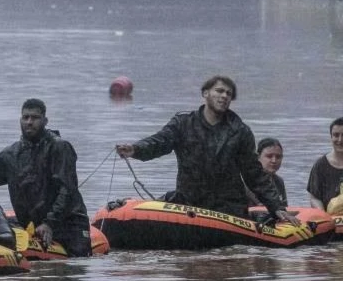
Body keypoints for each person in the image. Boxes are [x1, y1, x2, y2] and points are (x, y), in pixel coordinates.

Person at [116, 75, 298, 226]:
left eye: (229, 93)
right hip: (189, 203)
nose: (224, 96)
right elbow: (159, 142)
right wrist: (134, 149)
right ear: (205, 93)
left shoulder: (240, 131)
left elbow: (254, 173)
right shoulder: (183, 123)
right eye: (219, 91)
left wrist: (277, 207)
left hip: (227, 208)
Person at [0, 98, 93, 256]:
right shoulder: (10, 155)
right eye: (25, 117)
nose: (29, 122)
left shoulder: (60, 148)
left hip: (69, 223)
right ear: (20, 120)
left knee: (77, 264)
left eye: (35, 118)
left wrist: (49, 223)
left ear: (45, 121)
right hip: (31, 224)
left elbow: (67, 189)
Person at [246, 137, 288, 207]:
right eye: (269, 156)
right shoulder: (245, 181)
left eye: (278, 157)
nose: (274, 161)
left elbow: (285, 207)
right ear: (258, 157)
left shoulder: (279, 182)